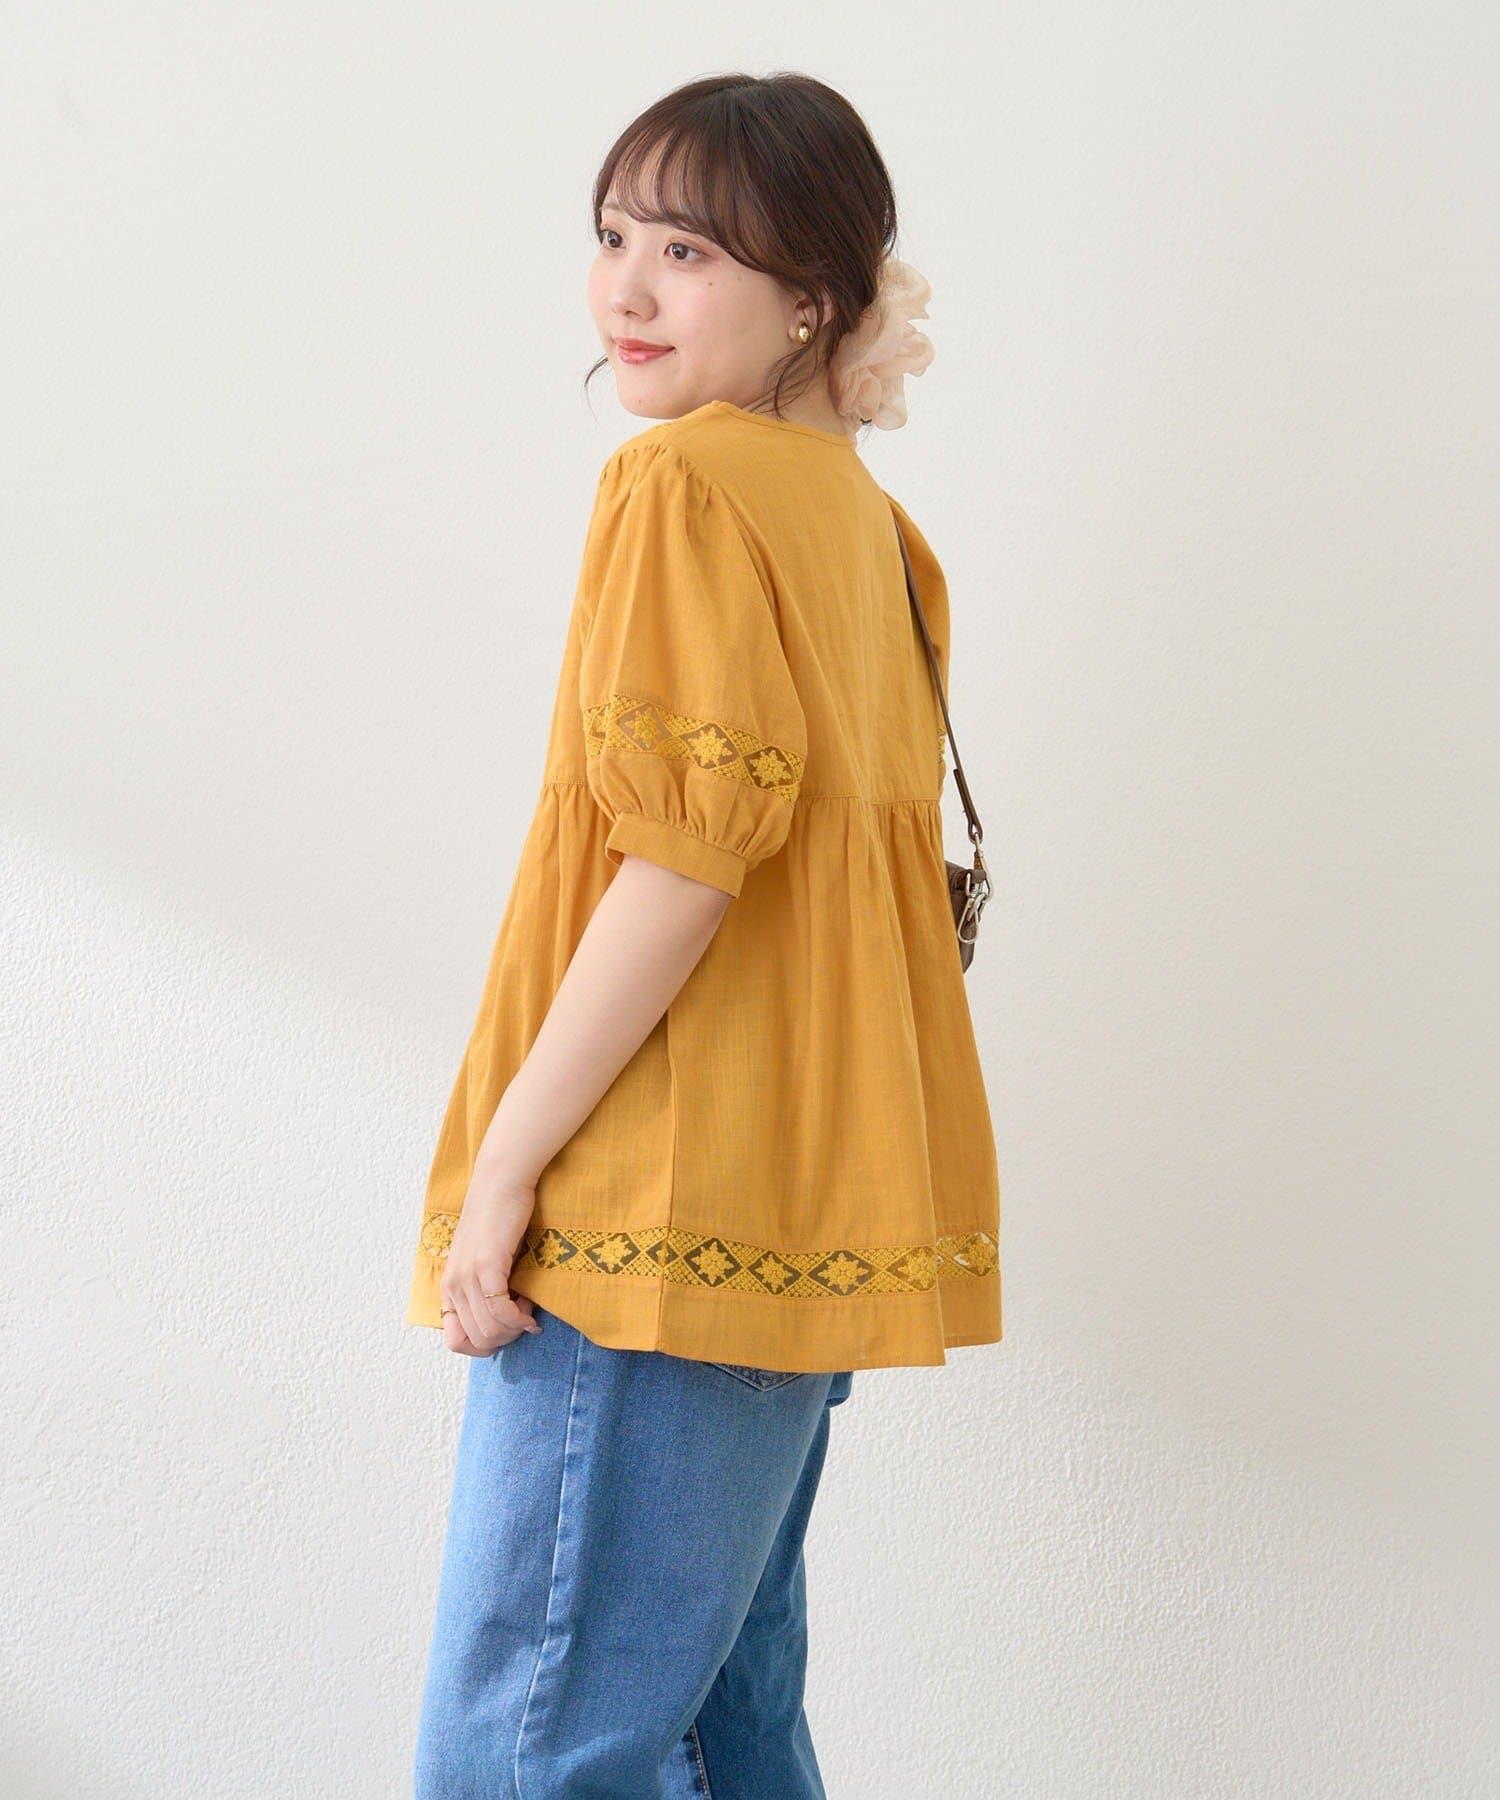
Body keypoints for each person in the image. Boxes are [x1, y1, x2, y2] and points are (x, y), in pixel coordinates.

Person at [408, 71, 1001, 1799]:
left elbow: (681, 870)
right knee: (727, 1731)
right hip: (801, 1211)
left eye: (690, 250)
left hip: (657, 1213)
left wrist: (505, 1170)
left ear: (813, 292)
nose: (629, 288)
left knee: (528, 1752)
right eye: (614, 237)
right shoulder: (873, 528)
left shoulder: (683, 484)